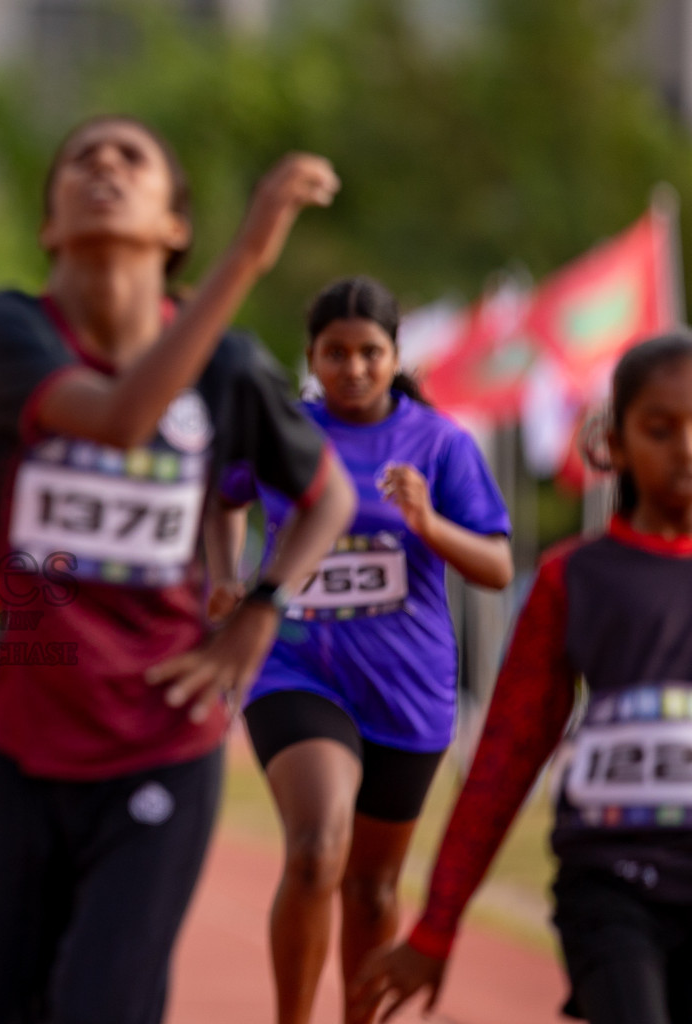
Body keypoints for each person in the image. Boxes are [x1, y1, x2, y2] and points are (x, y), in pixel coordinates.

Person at [0, 115, 355, 1024]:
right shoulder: (8, 330)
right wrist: (248, 260)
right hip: (21, 746)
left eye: (132, 158)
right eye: (81, 158)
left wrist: (263, 608)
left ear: (173, 228)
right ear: (50, 228)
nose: (104, 165)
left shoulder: (231, 369)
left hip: (162, 743)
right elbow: (116, 417)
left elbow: (330, 497)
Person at [353, 333, 692, 1024]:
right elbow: (505, 757)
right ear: (614, 442)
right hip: (612, 886)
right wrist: (436, 925)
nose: (685, 448)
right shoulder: (574, 579)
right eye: (660, 429)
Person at [207, 275, 513, 1024]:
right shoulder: (287, 430)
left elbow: (498, 567)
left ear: (394, 354)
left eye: (369, 352)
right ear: (312, 356)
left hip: (408, 685)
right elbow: (224, 495)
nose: (353, 368)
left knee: (374, 889)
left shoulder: (440, 443)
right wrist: (223, 579)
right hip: (295, 668)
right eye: (335, 353)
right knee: (317, 848)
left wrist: (430, 523)